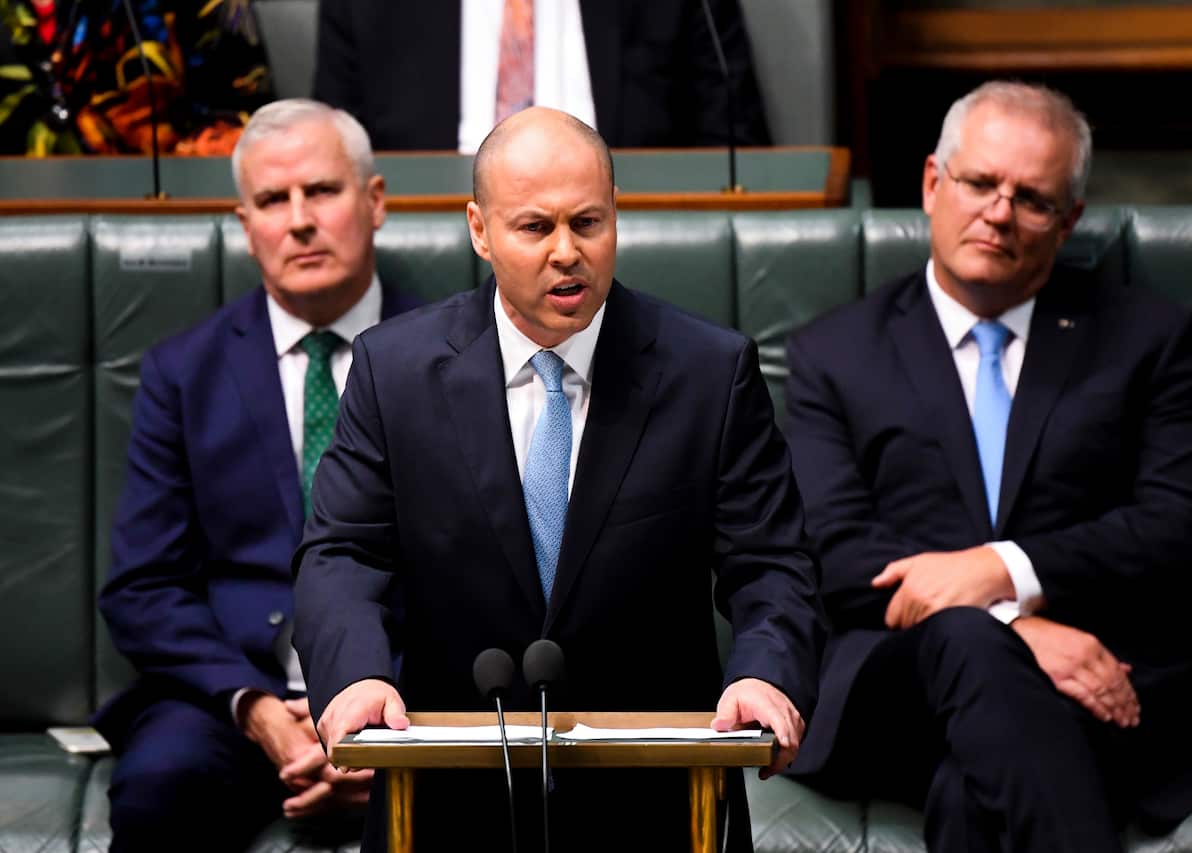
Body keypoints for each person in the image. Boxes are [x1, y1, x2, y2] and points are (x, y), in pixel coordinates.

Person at [292, 105, 821, 850]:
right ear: (480, 230)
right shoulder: (394, 371)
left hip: (655, 800)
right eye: (536, 228)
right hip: (448, 794)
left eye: (589, 222)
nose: (568, 251)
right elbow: (344, 552)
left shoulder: (710, 371)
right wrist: (353, 676)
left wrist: (768, 673)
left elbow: (772, 563)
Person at [783, 81, 1192, 850]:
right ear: (933, 183)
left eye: (1031, 199)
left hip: (1100, 681)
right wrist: (1011, 628)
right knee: (966, 644)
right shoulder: (835, 353)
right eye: (980, 183)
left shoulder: (1142, 337)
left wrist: (1004, 569)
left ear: (1069, 223)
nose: (999, 212)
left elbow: (1177, 526)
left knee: (971, 797)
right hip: (899, 686)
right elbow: (829, 548)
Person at [95, 99, 421, 852]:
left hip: (410, 693)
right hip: (232, 700)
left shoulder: (451, 356)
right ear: (246, 227)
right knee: (157, 790)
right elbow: (142, 587)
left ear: (374, 202)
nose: (299, 220)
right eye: (274, 201)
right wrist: (263, 711)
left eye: (322, 191)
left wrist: (372, 715)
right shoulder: (184, 372)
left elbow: (486, 574)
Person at [312, 0, 770, 153]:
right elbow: (334, 160)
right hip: (433, 268)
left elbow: (736, 150)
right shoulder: (368, 8)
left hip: (628, 253)